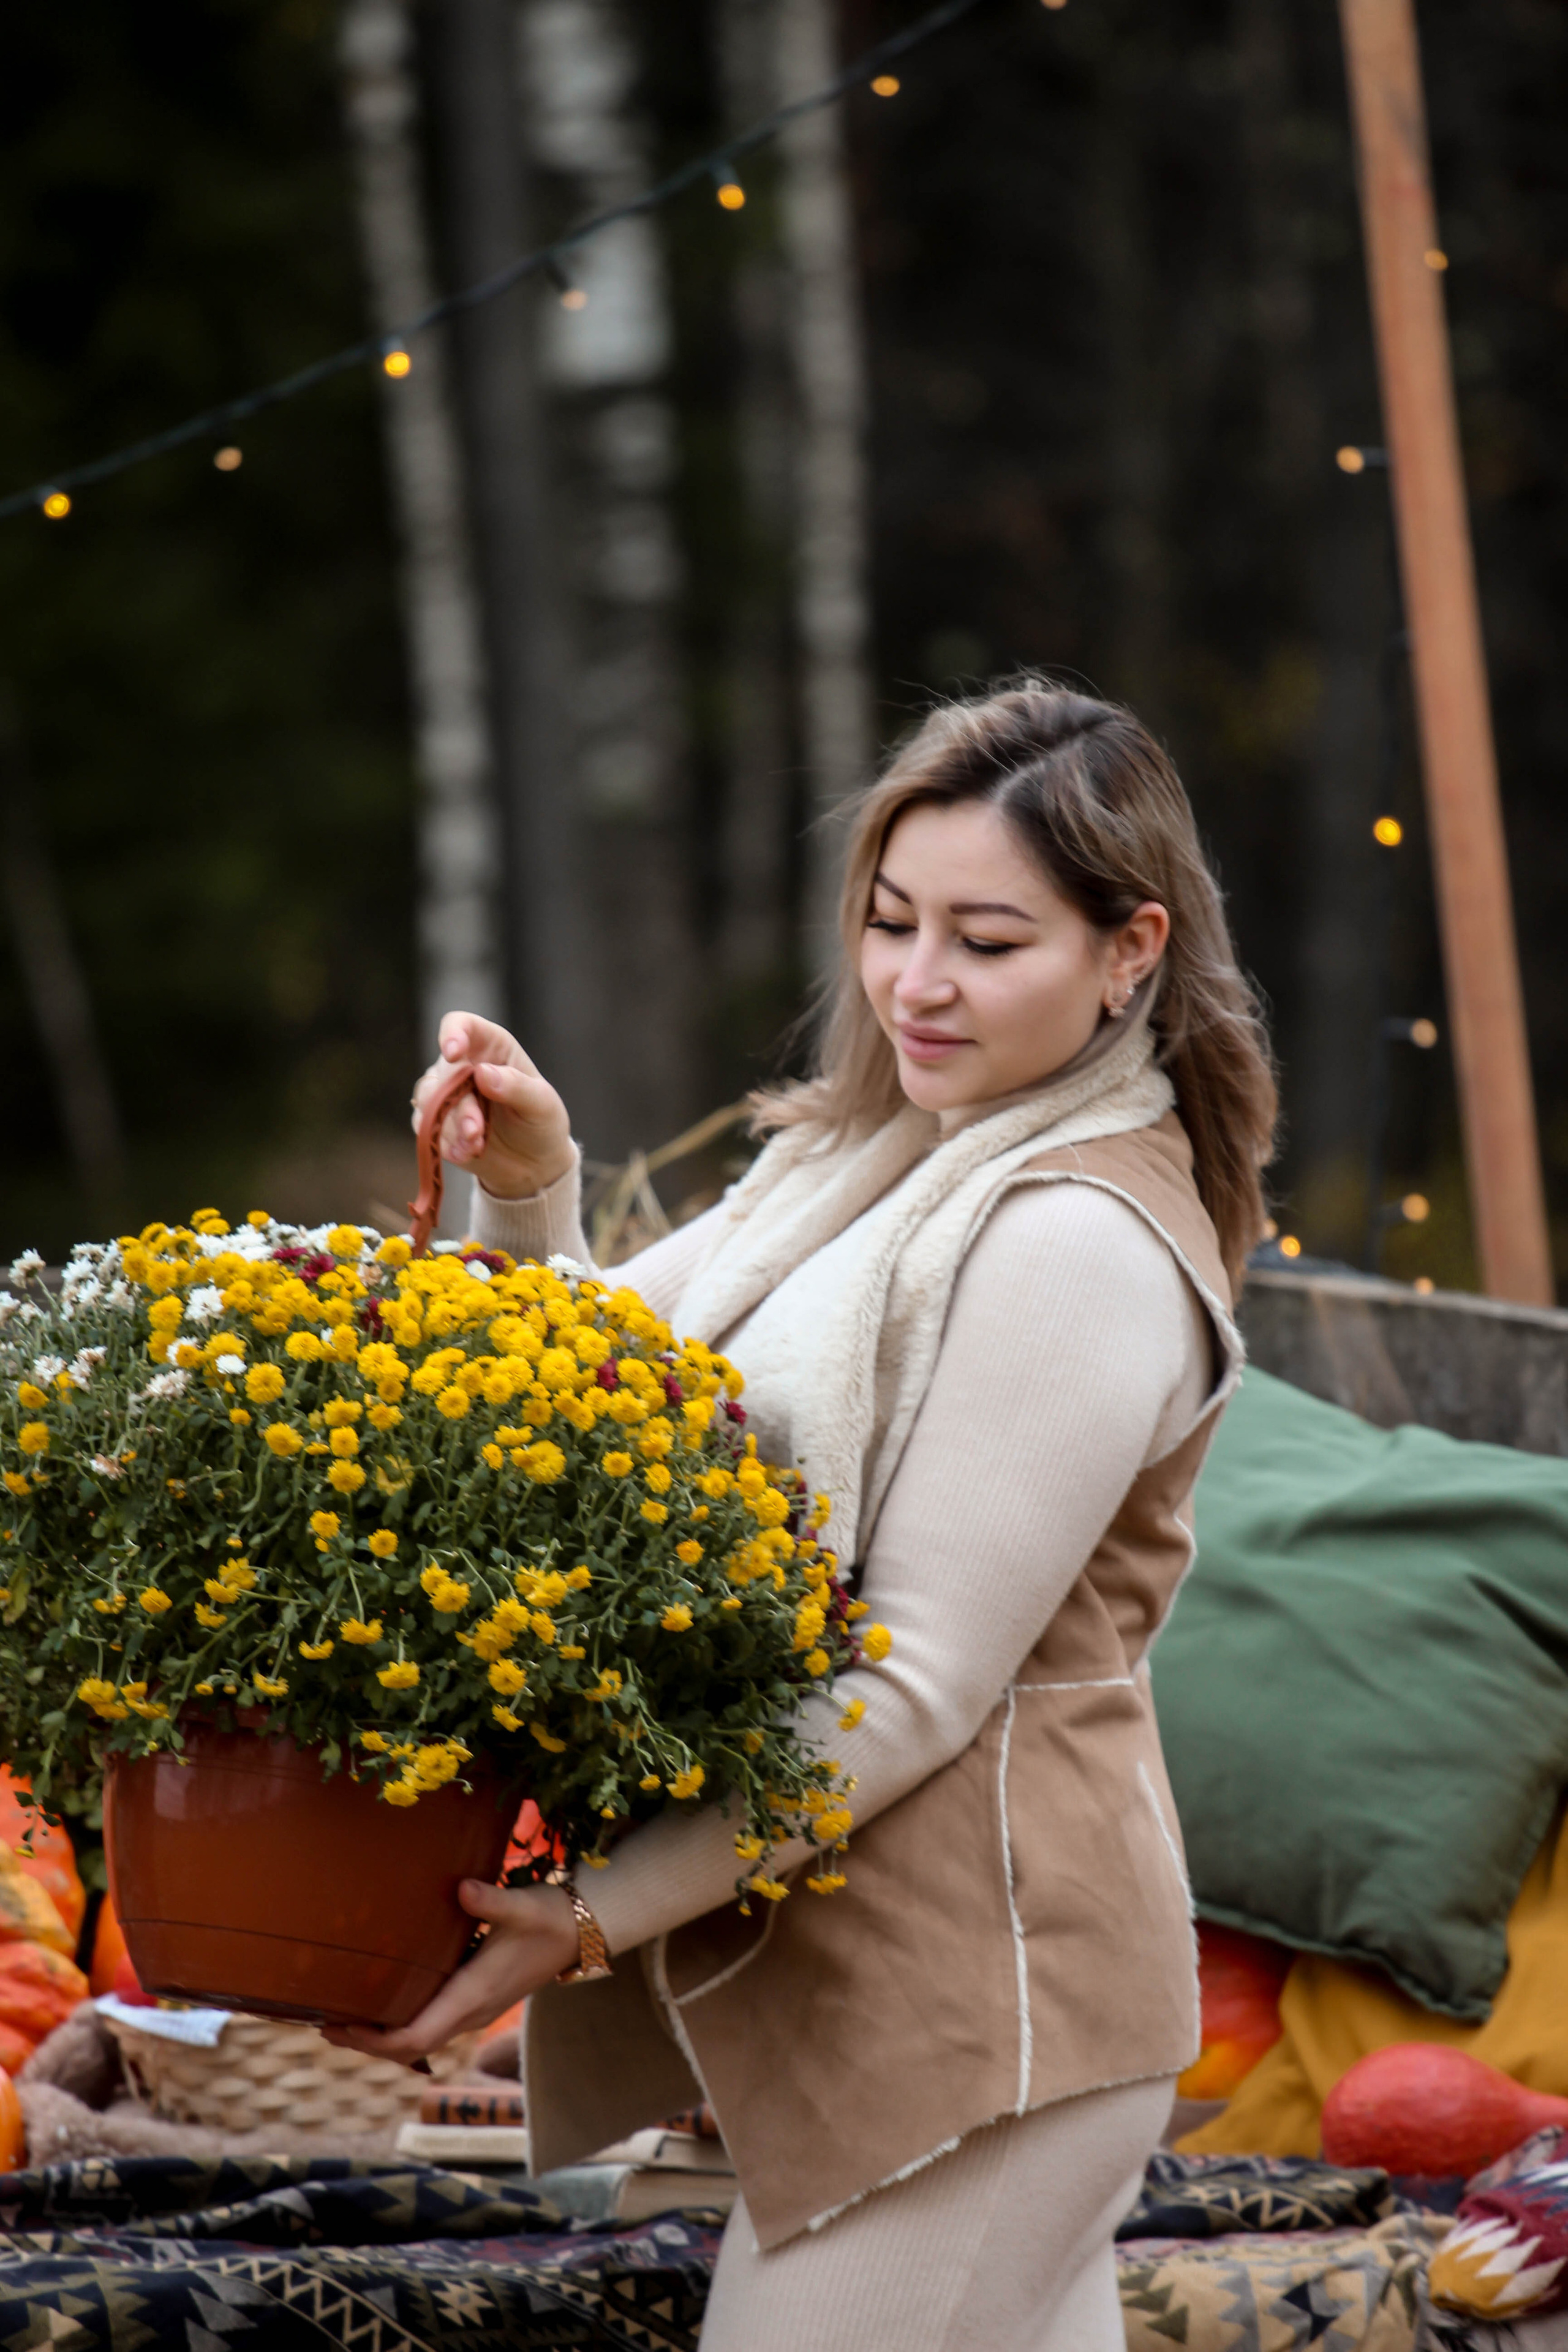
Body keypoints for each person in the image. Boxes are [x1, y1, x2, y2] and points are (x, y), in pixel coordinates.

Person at [329, 680, 1276, 2350]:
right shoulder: (876, 1163)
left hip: (982, 2008)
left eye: (989, 942)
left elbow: (909, 1686)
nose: (918, 984)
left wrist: (591, 1916)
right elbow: (583, 1406)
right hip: (889, 1991)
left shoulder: (1076, 1241)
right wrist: (535, 1185)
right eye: (894, 921)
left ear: (1130, 950)